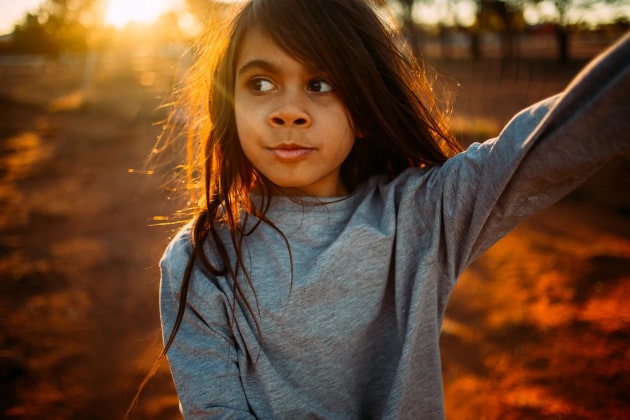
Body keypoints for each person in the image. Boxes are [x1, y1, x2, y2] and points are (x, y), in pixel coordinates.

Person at [157, 0, 629, 417]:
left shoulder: (421, 214)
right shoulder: (200, 261)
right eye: (260, 83)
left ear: (363, 109)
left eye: (320, 83)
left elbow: (552, 140)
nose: (288, 111)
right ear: (231, 104)